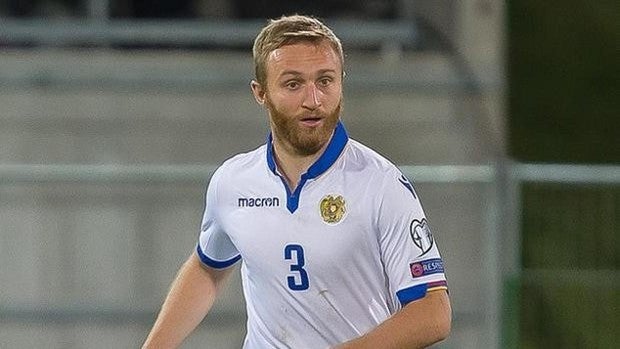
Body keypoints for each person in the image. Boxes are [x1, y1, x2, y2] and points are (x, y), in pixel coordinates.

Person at [143, 14, 451, 349]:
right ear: (260, 93)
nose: (313, 100)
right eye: (293, 84)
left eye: (325, 81)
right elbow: (207, 267)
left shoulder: (381, 184)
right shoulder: (232, 182)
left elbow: (433, 311)